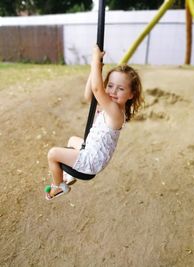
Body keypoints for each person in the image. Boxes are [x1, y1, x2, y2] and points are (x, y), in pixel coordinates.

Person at [45, 45, 143, 200]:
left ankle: (59, 187)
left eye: (121, 89)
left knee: (53, 154)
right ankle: (69, 176)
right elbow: (89, 95)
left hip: (92, 161)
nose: (113, 91)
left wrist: (95, 62)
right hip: (92, 151)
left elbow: (97, 90)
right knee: (72, 140)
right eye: (110, 86)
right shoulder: (109, 107)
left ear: (131, 94)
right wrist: (94, 72)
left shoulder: (116, 113)